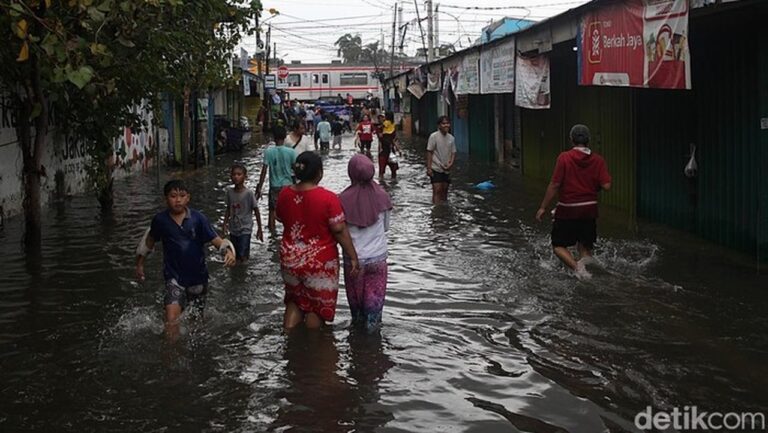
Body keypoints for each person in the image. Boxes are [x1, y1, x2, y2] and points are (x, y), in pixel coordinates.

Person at [135, 180, 236, 335]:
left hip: (198, 279)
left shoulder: (198, 219)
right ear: (166, 198)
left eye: (182, 196)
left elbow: (216, 241)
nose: (178, 200)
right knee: (171, 321)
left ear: (188, 198)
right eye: (173, 196)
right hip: (173, 278)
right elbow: (149, 241)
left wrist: (228, 252)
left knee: (196, 324)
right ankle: (171, 355)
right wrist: (140, 264)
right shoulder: (160, 221)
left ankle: (195, 353)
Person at [276, 152, 360, 329]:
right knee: (317, 307)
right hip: (318, 263)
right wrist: (352, 256)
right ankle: (314, 349)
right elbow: (339, 230)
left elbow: (280, 218)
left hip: (290, 260)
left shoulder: (284, 194)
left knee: (294, 301)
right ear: (319, 173)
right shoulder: (328, 198)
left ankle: (289, 343)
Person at [535, 124, 612, 280]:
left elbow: (555, 184)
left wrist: (543, 207)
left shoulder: (564, 158)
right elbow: (607, 186)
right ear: (588, 140)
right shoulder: (598, 160)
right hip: (590, 210)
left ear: (571, 139)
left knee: (558, 245)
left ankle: (578, 269)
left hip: (568, 209)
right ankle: (587, 266)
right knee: (584, 245)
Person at [339, 154, 393, 332]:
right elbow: (385, 227)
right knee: (374, 315)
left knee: (357, 314)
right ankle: (373, 350)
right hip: (377, 260)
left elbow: (339, 231)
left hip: (353, 261)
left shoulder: (341, 200)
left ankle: (357, 350)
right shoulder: (382, 196)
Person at [256, 126, 297, 232]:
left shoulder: (268, 152)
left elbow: (264, 171)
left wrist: (259, 187)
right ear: (284, 137)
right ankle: (289, 231)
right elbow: (295, 169)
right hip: (288, 185)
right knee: (289, 211)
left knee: (272, 211)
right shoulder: (291, 152)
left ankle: (272, 234)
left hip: (274, 186)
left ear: (273, 138)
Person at [223, 163, 263, 261]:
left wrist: (260, 229)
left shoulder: (248, 193)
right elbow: (228, 209)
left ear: (245, 177)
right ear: (231, 176)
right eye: (234, 174)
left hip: (245, 228)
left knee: (243, 254)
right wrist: (224, 224)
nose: (236, 177)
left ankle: (243, 271)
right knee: (234, 254)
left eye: (239, 174)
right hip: (233, 228)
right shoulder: (229, 192)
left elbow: (256, 210)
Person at [426, 115, 457, 204]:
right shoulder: (433, 136)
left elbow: (453, 153)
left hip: (447, 168)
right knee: (437, 190)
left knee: (445, 190)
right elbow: (429, 152)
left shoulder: (451, 138)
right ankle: (436, 210)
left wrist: (451, 164)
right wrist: (429, 168)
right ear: (439, 125)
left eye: (447, 123)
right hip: (436, 167)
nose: (446, 125)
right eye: (443, 123)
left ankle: (443, 210)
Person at [377, 112, 400, 179]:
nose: (382, 119)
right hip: (388, 150)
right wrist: (398, 150)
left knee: (383, 172)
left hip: (386, 151)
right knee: (392, 170)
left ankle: (382, 184)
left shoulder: (384, 126)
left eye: (383, 117)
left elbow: (394, 140)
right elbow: (394, 140)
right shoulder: (393, 126)